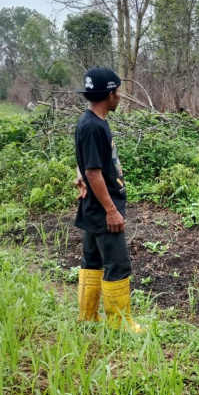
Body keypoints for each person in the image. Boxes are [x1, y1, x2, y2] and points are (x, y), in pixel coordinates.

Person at [73, 66, 142, 333]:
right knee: (117, 264)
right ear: (110, 94)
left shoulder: (89, 121)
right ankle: (120, 324)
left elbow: (85, 164)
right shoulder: (93, 126)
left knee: (92, 261)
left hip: (92, 208)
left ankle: (88, 317)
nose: (121, 96)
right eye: (119, 92)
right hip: (103, 211)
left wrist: (80, 175)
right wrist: (112, 210)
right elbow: (93, 172)